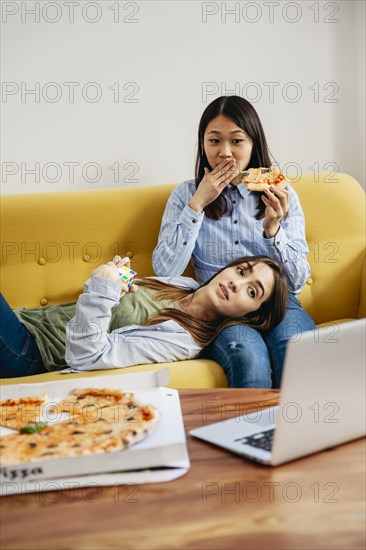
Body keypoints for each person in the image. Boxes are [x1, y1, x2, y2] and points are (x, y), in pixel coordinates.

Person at [152, 95, 316, 388]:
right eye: (214, 141)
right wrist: (198, 204)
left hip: (278, 302)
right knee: (249, 360)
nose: (225, 153)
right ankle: (250, 435)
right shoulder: (185, 195)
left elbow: (298, 281)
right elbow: (165, 271)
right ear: (203, 144)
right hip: (223, 309)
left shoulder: (280, 190)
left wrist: (273, 230)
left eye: (237, 141)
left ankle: (306, 431)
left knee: (298, 350)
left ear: (254, 145)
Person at [0, 255, 288, 378]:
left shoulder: (183, 340)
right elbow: (122, 300)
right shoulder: (182, 284)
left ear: (252, 315)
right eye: (241, 271)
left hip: (30, 352)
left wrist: (103, 287)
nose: (238, 283)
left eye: (252, 292)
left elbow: (87, 356)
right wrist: (117, 279)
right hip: (24, 319)